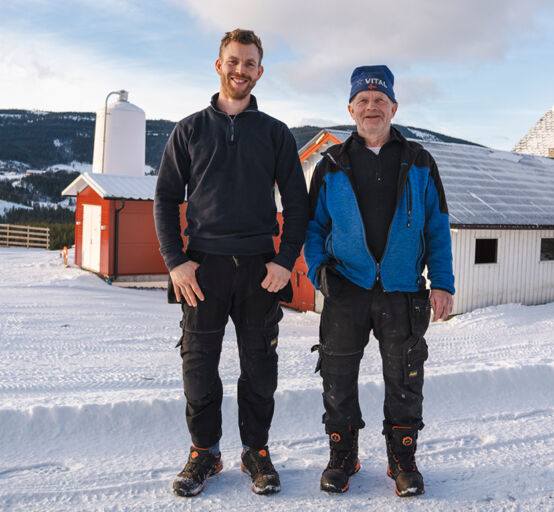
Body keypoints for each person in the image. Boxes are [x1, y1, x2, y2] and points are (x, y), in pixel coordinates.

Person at [153, 28, 309, 498]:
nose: (241, 70)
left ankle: (255, 451)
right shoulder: (189, 130)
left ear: (260, 72)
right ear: (218, 65)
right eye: (233, 61)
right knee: (198, 366)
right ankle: (205, 452)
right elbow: (164, 198)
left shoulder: (275, 133)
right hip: (203, 269)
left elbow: (297, 205)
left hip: (261, 269)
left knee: (260, 367)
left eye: (250, 63)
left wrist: (284, 261)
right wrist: (176, 261)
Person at [304, 65, 455, 497]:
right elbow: (313, 228)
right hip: (345, 289)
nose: (372, 107)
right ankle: (342, 457)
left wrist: (441, 282)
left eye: (380, 100)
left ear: (394, 107)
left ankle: (402, 460)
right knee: (337, 376)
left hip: (403, 290)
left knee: (405, 378)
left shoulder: (420, 162)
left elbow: (437, 226)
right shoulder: (331, 163)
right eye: (363, 100)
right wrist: (319, 271)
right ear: (351, 108)